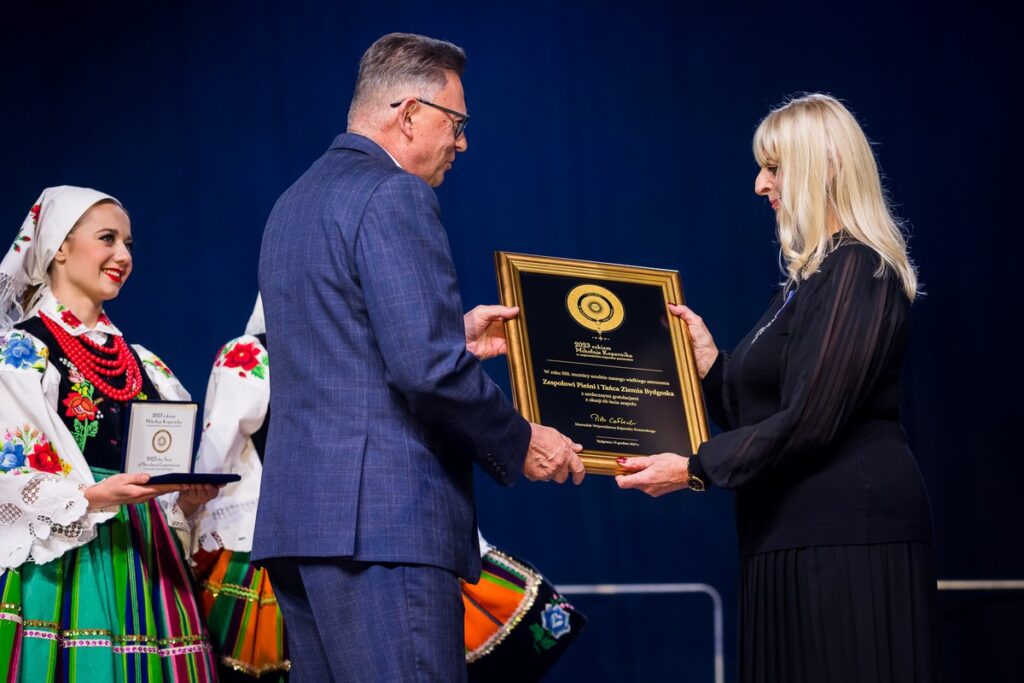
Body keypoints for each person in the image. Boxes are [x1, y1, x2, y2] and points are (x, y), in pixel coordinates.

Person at [253, 33, 586, 682]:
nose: (462, 143)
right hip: (382, 529)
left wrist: (449, 334)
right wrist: (522, 439)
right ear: (407, 114)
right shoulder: (394, 193)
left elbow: (342, 350)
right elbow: (426, 372)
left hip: (302, 526)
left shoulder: (292, 204)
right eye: (455, 123)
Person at [616, 94, 936, 682]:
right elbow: (766, 412)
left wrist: (695, 467)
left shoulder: (859, 269)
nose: (761, 185)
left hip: (846, 538)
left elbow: (811, 418)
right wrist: (712, 365)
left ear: (828, 163)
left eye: (775, 166)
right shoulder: (807, 279)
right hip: (784, 531)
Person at [191, 297, 585, 683]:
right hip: (346, 531)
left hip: (315, 531)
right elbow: (219, 449)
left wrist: (190, 518)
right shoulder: (265, 353)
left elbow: (215, 454)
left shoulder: (268, 353)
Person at [0, 186, 220, 680]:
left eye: (128, 243)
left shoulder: (144, 363)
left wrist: (186, 501)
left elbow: (161, 473)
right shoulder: (19, 353)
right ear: (59, 246)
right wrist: (90, 495)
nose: (123, 255)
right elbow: (8, 471)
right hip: (68, 557)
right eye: (107, 239)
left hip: (145, 552)